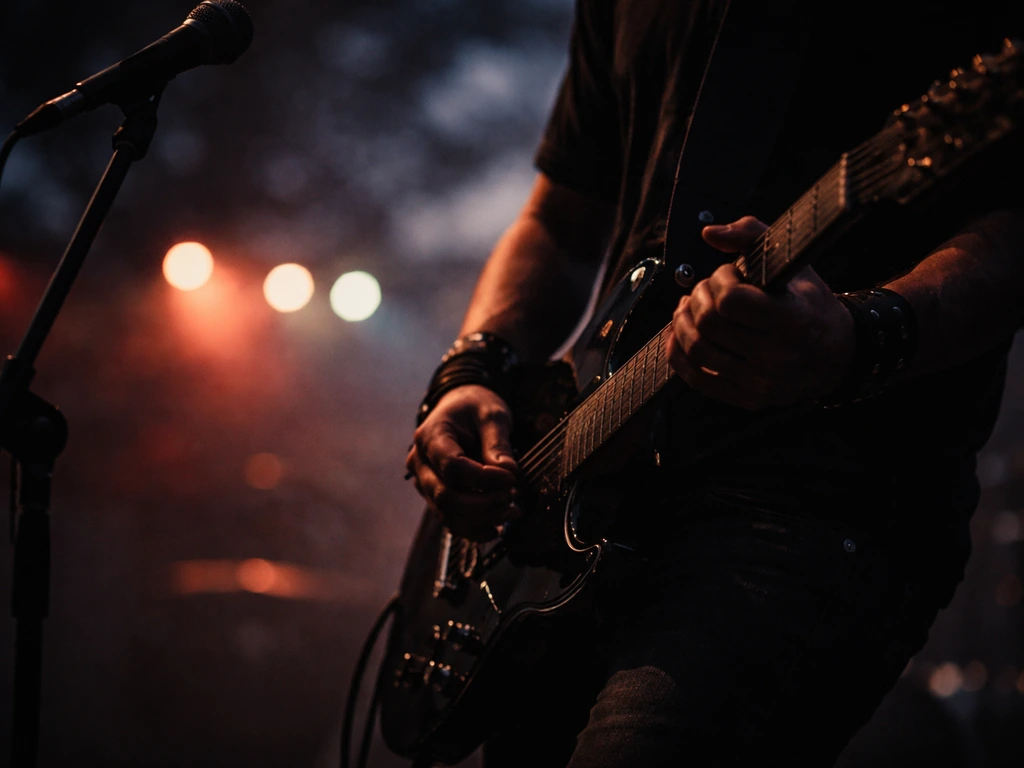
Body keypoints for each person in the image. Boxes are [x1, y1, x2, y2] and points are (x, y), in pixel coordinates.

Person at [403, 1, 1024, 765]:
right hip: (576, 502)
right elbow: (563, 217)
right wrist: (473, 368)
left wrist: (860, 336)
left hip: (808, 503)